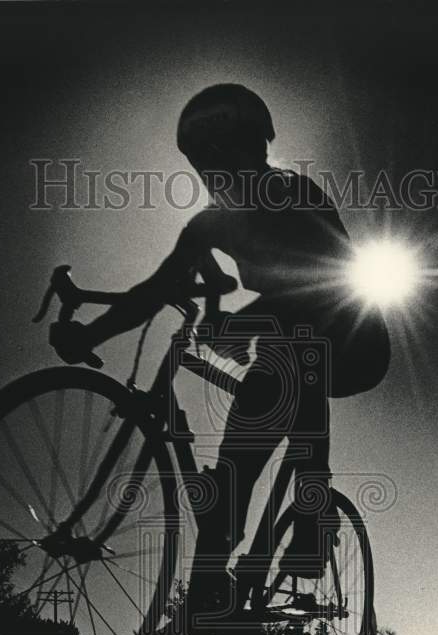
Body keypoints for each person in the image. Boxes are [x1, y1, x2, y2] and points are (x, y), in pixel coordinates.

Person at [51, 84, 389, 602]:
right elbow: (153, 292)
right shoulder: (209, 224)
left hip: (353, 339)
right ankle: (215, 584)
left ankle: (311, 511)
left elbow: (326, 291)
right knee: (254, 417)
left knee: (282, 365)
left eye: (229, 152)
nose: (220, 171)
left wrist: (237, 323)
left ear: (259, 148)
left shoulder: (295, 197)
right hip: (290, 337)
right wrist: (90, 336)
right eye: (207, 161)